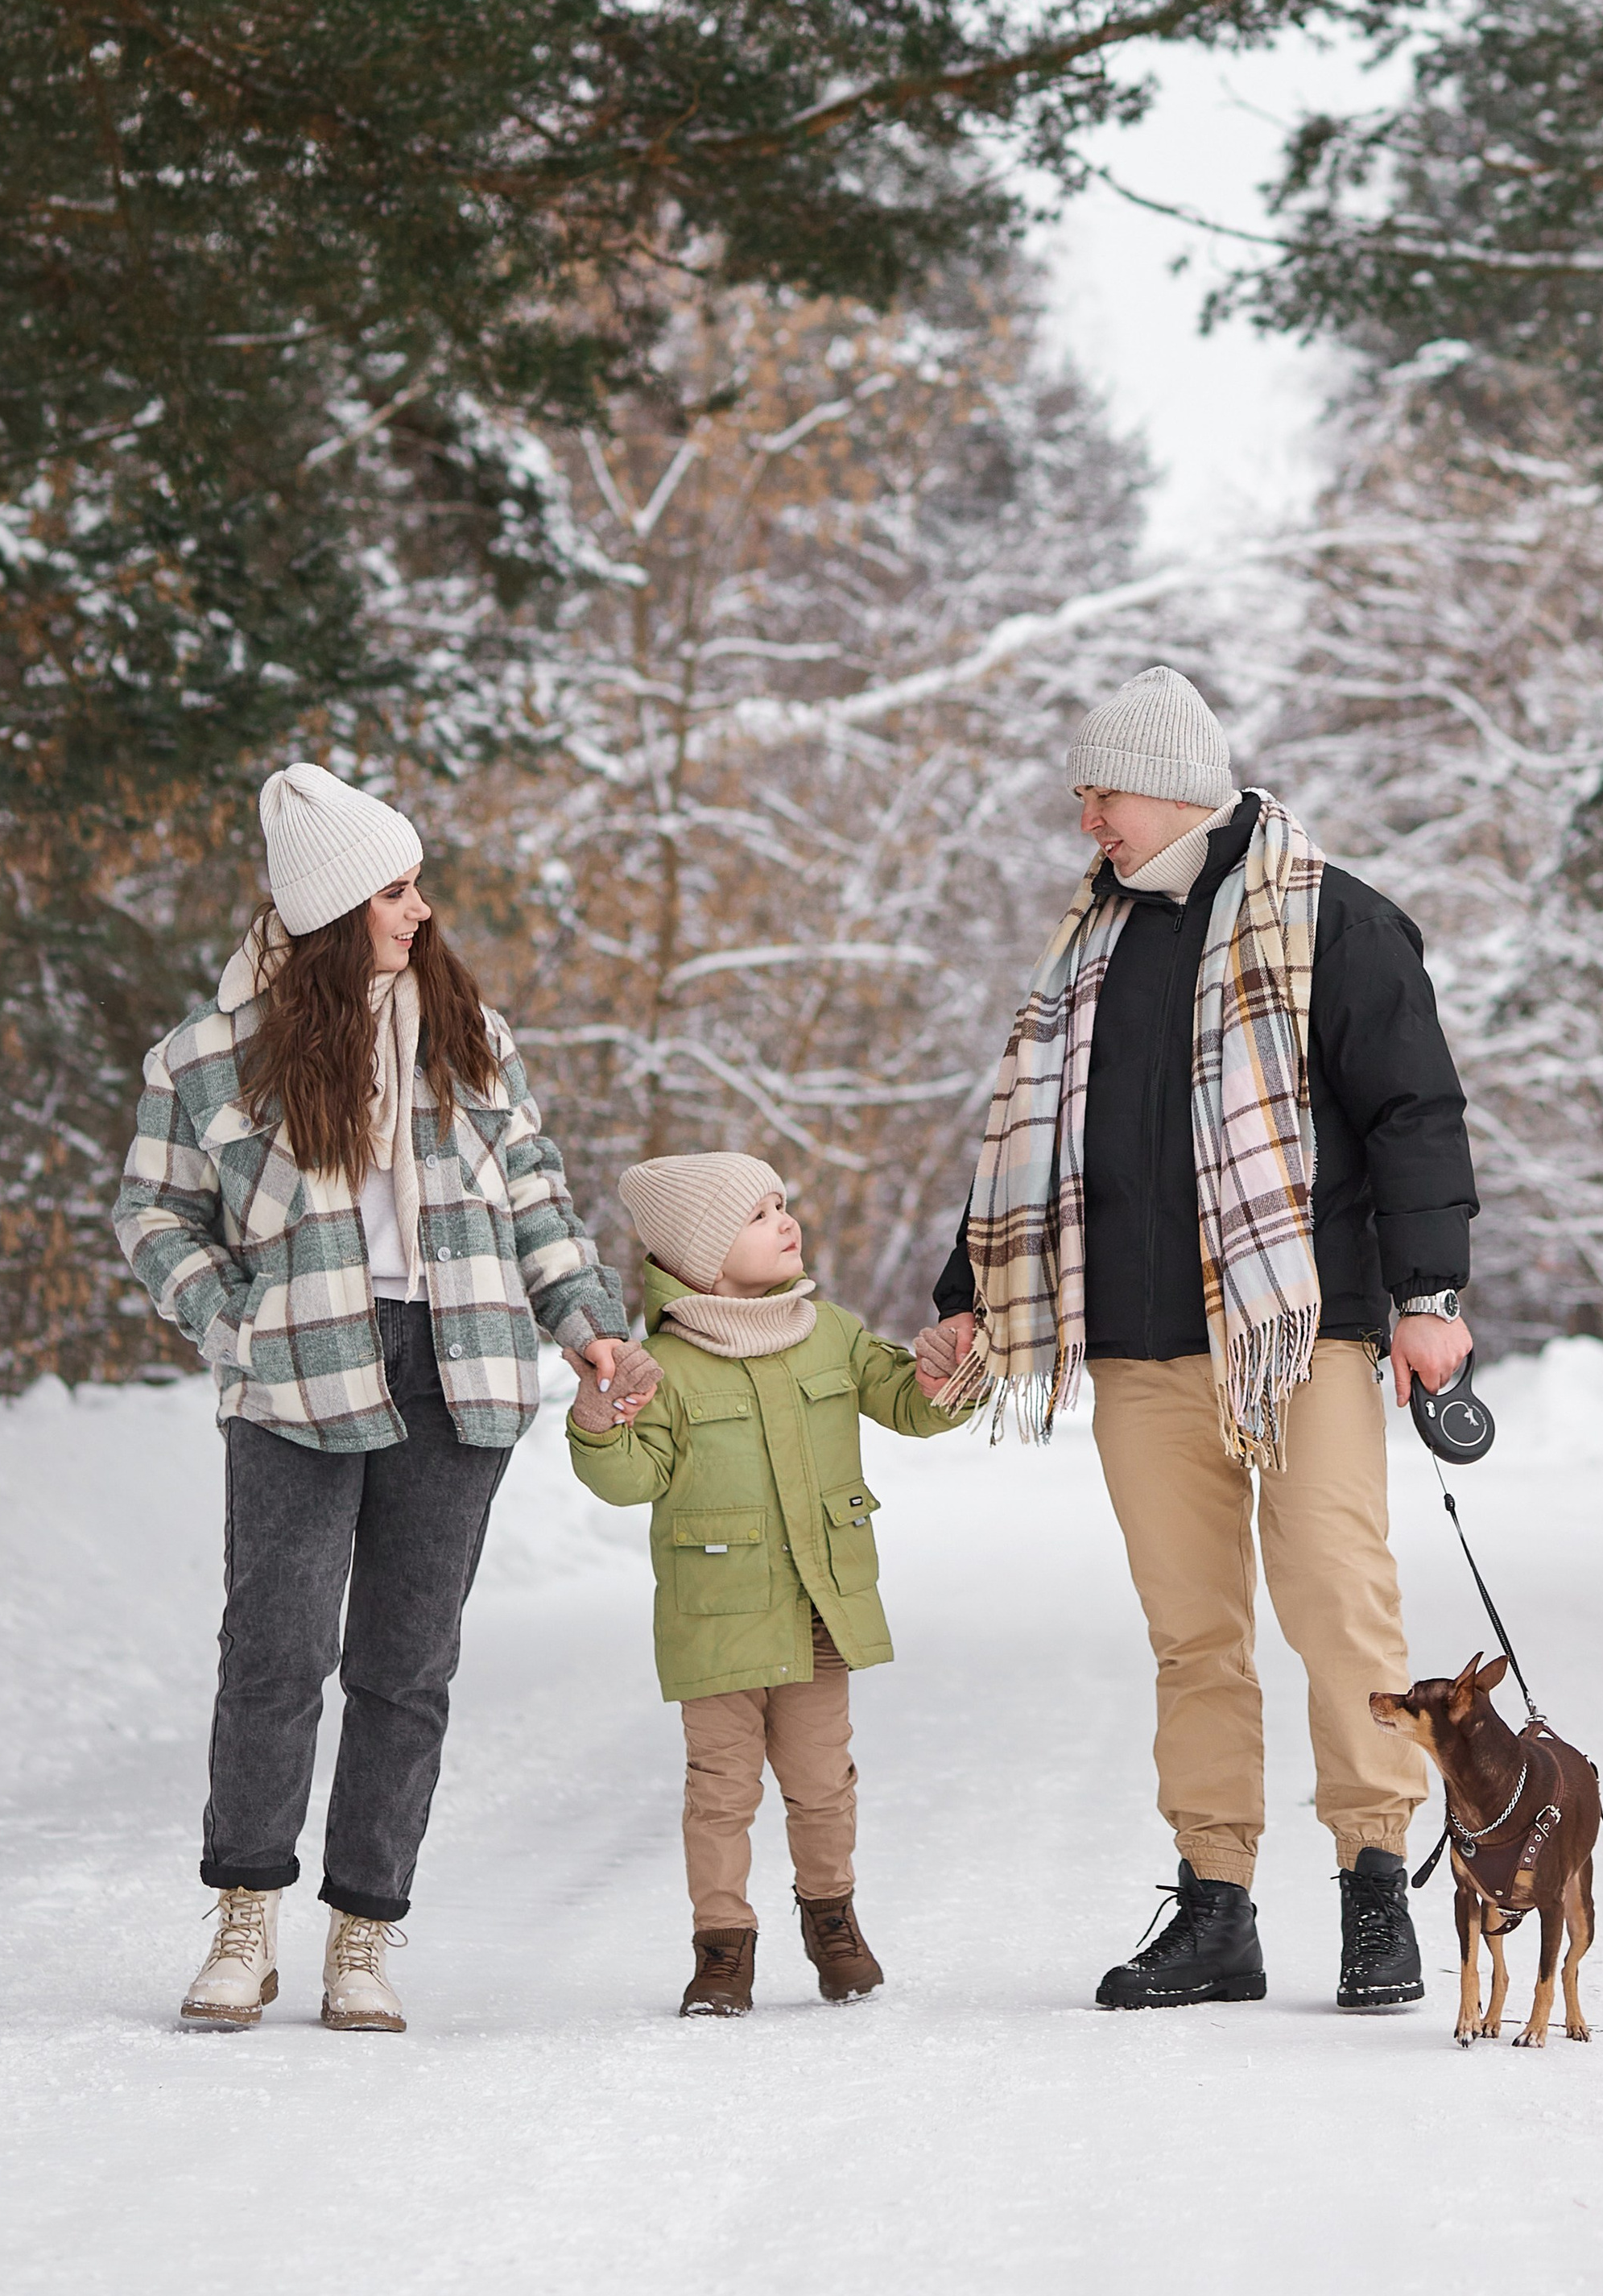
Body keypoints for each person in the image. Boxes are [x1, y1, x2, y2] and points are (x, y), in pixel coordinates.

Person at [914, 666, 1477, 2015]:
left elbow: (1414, 1110)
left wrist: (1429, 1295)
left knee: (1339, 1606)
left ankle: (1374, 1885)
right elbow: (1034, 1147)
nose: (1088, 823)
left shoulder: (1329, 919)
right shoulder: (1087, 948)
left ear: (1167, 785)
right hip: (1137, 1340)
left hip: (1302, 1333)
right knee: (1192, 1631)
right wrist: (967, 1292)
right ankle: (1217, 1901)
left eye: (1099, 795)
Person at [116, 761, 655, 2036]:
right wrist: (232, 1322)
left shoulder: (472, 1034)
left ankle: (363, 1933)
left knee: (408, 1667)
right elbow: (152, 1213)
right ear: (334, 903)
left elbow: (533, 1198)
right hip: (295, 1371)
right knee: (276, 1651)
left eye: (418, 885)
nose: (421, 910)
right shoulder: (210, 1056)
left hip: (454, 1364)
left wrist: (584, 1324)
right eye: (397, 889)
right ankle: (246, 1918)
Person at [569, 1152, 965, 2017]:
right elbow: (630, 1478)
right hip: (717, 1620)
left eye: (782, 1205)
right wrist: (601, 1423)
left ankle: (832, 1919)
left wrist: (941, 1373)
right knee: (719, 1791)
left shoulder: (829, 1331)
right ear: (703, 1253)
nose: (786, 1222)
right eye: (757, 1215)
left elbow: (905, 1401)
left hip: (819, 1612)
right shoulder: (663, 1365)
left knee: (823, 1782)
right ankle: (722, 1949)